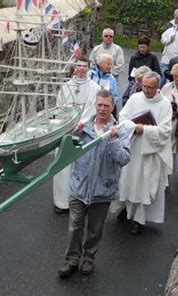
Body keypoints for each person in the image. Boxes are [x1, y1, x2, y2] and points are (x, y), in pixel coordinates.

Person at [58, 89, 130, 279]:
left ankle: (88, 259)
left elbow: (124, 158)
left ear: (113, 107)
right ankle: (72, 260)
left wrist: (113, 140)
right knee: (74, 226)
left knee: (95, 229)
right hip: (79, 186)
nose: (102, 109)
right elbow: (68, 152)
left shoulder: (120, 130)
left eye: (106, 105)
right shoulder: (84, 126)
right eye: (99, 104)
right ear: (95, 105)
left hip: (102, 190)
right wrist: (75, 135)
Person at [115, 71, 172, 235]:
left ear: (158, 86)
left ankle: (139, 220)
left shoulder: (165, 104)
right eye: (144, 86)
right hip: (132, 148)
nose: (146, 90)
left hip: (150, 152)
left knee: (143, 185)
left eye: (150, 87)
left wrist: (144, 129)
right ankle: (126, 210)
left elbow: (165, 131)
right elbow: (122, 118)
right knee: (128, 181)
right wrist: (134, 127)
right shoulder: (135, 98)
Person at [53, 56, 101, 213]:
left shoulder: (95, 88)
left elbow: (94, 109)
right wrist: (67, 125)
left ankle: (81, 200)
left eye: (84, 66)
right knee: (63, 167)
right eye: (79, 65)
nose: (81, 68)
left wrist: (82, 124)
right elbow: (59, 107)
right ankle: (61, 202)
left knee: (83, 167)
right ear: (74, 67)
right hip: (65, 131)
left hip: (84, 130)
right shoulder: (66, 86)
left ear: (88, 67)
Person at [160, 18, 178, 86]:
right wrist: (169, 40)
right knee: (163, 78)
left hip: (177, 60)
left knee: (174, 78)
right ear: (177, 24)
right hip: (166, 59)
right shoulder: (170, 31)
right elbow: (162, 40)